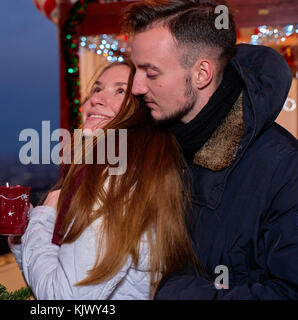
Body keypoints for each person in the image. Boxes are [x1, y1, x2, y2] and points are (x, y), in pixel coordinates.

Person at [122, 0, 298, 299]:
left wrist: (171, 290)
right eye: (135, 70)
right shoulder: (155, 145)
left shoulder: (282, 168)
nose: (136, 86)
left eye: (150, 73)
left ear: (202, 74)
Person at [8, 59, 200, 299]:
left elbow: (66, 300)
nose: (96, 99)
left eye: (120, 91)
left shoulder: (116, 181)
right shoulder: (122, 171)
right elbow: (50, 282)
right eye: (97, 89)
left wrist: (44, 216)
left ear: (144, 110)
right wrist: (23, 237)